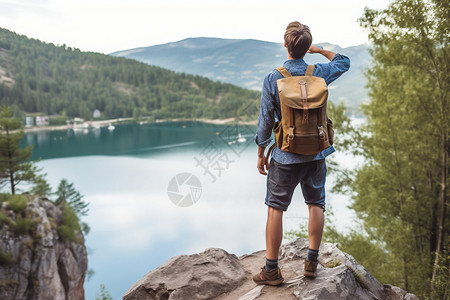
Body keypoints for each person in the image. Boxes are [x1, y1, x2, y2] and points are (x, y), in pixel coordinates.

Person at [252, 21, 350, 285]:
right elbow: (344, 61)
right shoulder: (318, 72)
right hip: (317, 153)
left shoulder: (273, 78)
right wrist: (319, 51)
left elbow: (264, 121)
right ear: (306, 47)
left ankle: (271, 270)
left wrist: (261, 152)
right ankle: (311, 263)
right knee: (316, 204)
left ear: (285, 44)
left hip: (284, 156)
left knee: (275, 209)